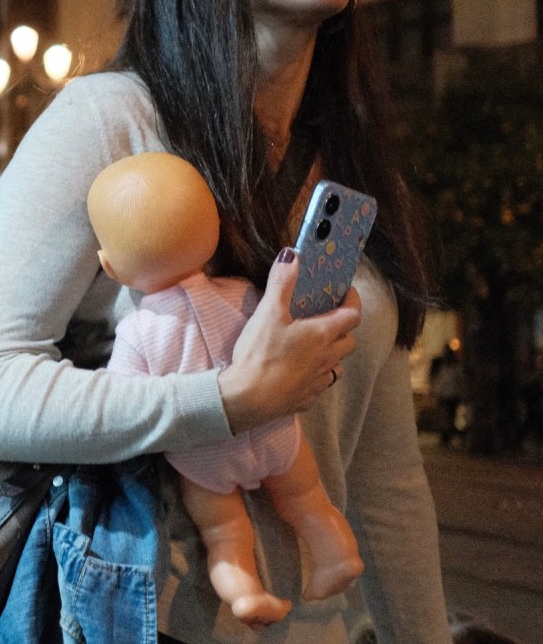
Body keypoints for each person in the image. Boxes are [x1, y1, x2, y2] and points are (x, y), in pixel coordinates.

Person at [0, 0, 450, 643]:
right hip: (145, 622)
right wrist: (228, 399)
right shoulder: (110, 122)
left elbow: (387, 480)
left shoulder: (351, 167)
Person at [93, 153, 362, 629]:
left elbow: (125, 404)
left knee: (224, 532)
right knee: (309, 500)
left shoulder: (137, 330)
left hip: (202, 459)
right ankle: (337, 557)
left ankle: (245, 593)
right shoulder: (244, 292)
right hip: (276, 433)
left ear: (110, 266)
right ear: (215, 230)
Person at [429, 343, 467, 447]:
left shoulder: (454, 368)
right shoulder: (444, 368)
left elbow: (457, 382)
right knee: (446, 417)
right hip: (446, 395)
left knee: (450, 417)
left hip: (451, 396)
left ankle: (448, 436)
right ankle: (446, 436)